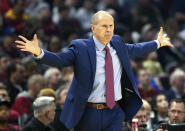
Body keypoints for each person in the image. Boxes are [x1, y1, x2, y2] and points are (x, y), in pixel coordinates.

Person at [15, 10, 173, 131]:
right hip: (89, 111)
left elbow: (136, 48)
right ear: (93, 28)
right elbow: (60, 59)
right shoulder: (80, 47)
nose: (109, 30)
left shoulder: (117, 42)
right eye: (104, 26)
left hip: (115, 110)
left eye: (111, 26)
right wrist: (39, 52)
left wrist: (157, 43)